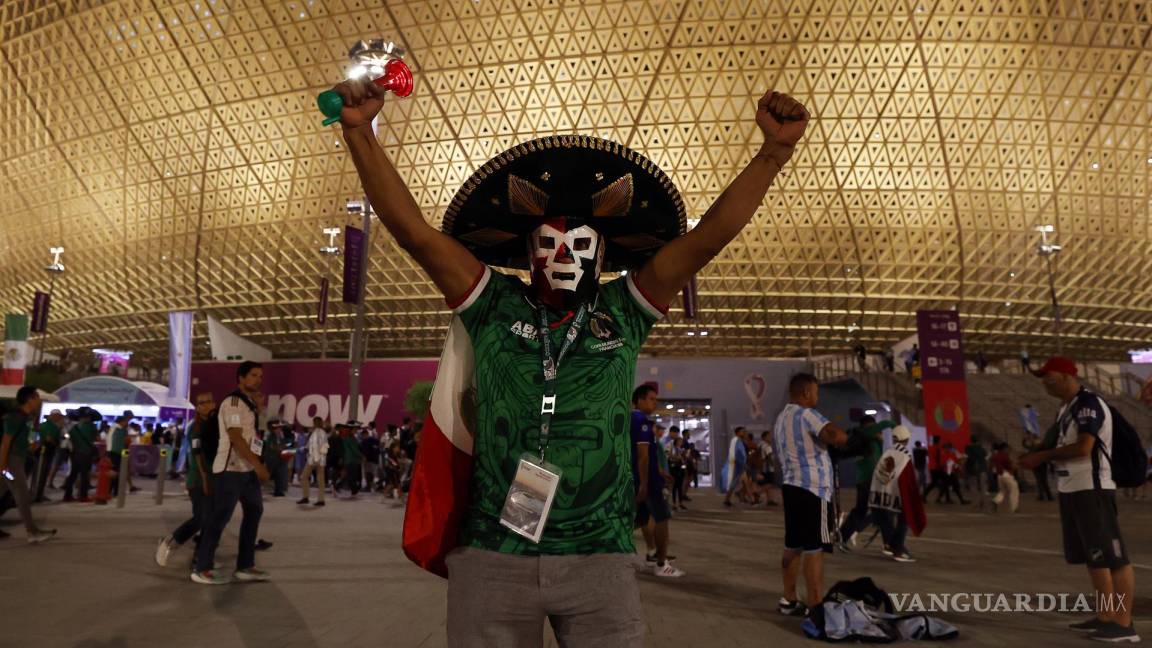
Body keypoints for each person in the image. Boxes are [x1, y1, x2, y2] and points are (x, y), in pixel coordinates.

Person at [331, 70, 808, 644]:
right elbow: (415, 234)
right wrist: (359, 133)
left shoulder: (624, 309)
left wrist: (774, 153)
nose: (563, 254)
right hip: (493, 554)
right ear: (526, 250)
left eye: (579, 243)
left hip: (600, 560)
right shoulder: (492, 302)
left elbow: (708, 238)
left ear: (604, 253)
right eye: (549, 242)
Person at [1018, 357, 1138, 642]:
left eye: (1049, 376)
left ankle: (1123, 624)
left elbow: (1085, 447)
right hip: (1073, 488)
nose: (1045, 382)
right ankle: (1106, 615)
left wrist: (1042, 456)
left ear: (1068, 375)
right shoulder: (1066, 409)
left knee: (1114, 557)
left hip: (1092, 488)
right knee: (1094, 556)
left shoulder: (1088, 404)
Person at [772, 373, 848, 616]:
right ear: (805, 392)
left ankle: (789, 598)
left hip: (792, 487)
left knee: (792, 544)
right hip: (814, 490)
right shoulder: (807, 414)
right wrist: (841, 435)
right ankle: (816, 605)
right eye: (816, 392)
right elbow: (836, 436)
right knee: (815, 547)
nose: (817, 396)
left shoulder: (781, 419)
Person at [192, 361, 271, 585]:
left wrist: (260, 409)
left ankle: (245, 565)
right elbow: (236, 438)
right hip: (229, 470)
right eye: (254, 375)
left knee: (254, 511)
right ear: (241, 378)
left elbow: (254, 436)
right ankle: (202, 568)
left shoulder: (250, 404)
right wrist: (258, 465)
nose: (258, 379)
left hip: (246, 471)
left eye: (260, 376)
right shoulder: (233, 402)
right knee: (220, 518)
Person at [156, 392, 216, 567]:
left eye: (208, 402)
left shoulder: (215, 425)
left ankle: (201, 557)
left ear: (214, 403)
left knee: (211, 519)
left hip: (214, 478)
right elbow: (196, 455)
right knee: (202, 518)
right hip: (198, 479)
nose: (205, 405)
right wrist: (205, 478)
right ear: (197, 407)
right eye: (201, 403)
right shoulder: (196, 427)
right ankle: (171, 541)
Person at [631, 385, 684, 577]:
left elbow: (648, 456)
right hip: (648, 481)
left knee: (642, 519)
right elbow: (643, 456)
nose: (655, 403)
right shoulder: (642, 422)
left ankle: (651, 554)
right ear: (640, 400)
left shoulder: (631, 420)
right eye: (652, 399)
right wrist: (645, 483)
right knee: (662, 519)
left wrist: (660, 470)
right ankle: (662, 564)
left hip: (645, 478)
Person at [0, 387, 57, 543]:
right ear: (30, 399)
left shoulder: (24, 418)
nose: (39, 400)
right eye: (37, 397)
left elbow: (17, 443)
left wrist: (33, 446)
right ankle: (32, 532)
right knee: (22, 495)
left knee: (4, 491)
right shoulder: (16, 417)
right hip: (11, 464)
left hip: (13, 461)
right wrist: (3, 465)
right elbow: (5, 443)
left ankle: (33, 531)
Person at [867, 425, 926, 562]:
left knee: (886, 520)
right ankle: (898, 549)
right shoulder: (904, 455)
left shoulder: (888, 452)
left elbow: (879, 475)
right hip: (897, 495)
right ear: (906, 439)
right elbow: (908, 480)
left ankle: (890, 545)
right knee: (903, 520)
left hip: (882, 494)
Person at [838, 416, 896, 548]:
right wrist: (895, 426)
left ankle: (842, 535)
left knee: (865, 511)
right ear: (869, 426)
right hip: (870, 480)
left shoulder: (866, 439)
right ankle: (891, 544)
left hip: (866, 480)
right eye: (875, 428)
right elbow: (884, 423)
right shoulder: (865, 434)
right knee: (883, 511)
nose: (879, 432)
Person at [62, 408, 97, 502]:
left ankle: (67, 496)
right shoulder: (91, 427)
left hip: (75, 454)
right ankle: (83, 496)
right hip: (86, 454)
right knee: (85, 475)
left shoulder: (73, 428)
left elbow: (68, 438)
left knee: (73, 475)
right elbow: (94, 438)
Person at [33, 409, 65, 503]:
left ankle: (39, 494)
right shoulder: (49, 426)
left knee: (43, 473)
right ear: (53, 416)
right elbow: (49, 439)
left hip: (48, 452)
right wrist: (55, 442)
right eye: (58, 416)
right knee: (41, 473)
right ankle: (37, 495)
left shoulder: (52, 426)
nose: (59, 418)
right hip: (45, 452)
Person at [298, 417, 328, 506]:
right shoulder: (323, 432)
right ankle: (321, 499)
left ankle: (306, 496)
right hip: (321, 458)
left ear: (315, 423)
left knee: (304, 477)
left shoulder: (316, 432)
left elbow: (312, 446)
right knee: (320, 479)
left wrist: (303, 449)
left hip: (313, 457)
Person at [107, 411, 134, 497]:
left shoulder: (113, 427)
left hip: (110, 452)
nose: (126, 423)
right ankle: (114, 491)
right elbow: (125, 441)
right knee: (116, 472)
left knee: (115, 471)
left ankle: (111, 490)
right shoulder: (120, 429)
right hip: (116, 452)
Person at [723, 427, 749, 507]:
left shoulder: (740, 441)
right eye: (742, 432)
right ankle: (751, 499)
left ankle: (732, 498)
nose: (744, 433)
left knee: (743, 482)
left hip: (740, 465)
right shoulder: (736, 441)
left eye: (745, 431)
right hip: (737, 465)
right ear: (737, 432)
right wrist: (742, 463)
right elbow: (737, 453)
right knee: (741, 482)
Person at [990, 442, 1019, 514]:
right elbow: (1009, 466)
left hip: (999, 475)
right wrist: (1014, 466)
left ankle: (996, 501)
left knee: (1002, 491)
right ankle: (1014, 508)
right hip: (1007, 474)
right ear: (1004, 448)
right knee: (1014, 491)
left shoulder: (996, 455)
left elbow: (992, 460)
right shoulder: (1005, 455)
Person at [964, 435, 989, 511]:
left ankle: (975, 505)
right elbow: (985, 454)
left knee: (973, 487)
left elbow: (968, 457)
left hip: (972, 469)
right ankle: (984, 504)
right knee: (983, 487)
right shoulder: (981, 448)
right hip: (982, 469)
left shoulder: (968, 447)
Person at [340, 422, 364, 497]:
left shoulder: (346, 438)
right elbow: (354, 449)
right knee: (352, 476)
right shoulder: (351, 438)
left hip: (348, 459)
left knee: (349, 475)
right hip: (352, 459)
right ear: (352, 429)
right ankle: (354, 490)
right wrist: (362, 456)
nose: (356, 430)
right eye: (355, 429)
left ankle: (338, 486)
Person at [668, 436, 688, 511]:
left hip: (680, 468)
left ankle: (680, 503)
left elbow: (683, 459)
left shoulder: (681, 449)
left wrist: (683, 458)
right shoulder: (673, 448)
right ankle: (674, 503)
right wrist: (677, 457)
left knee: (680, 486)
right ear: (676, 442)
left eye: (681, 441)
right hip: (674, 468)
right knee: (675, 486)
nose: (681, 442)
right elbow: (669, 457)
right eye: (680, 441)